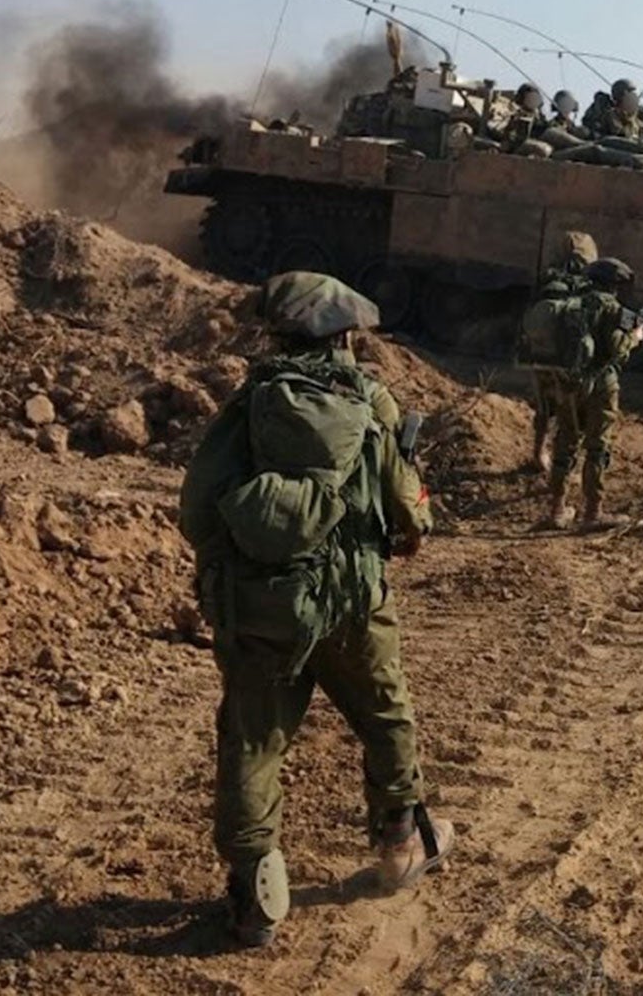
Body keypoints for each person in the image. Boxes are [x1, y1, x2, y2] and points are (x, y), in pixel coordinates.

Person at [178, 272, 454, 948]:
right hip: (354, 603)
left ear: (278, 333)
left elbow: (196, 510)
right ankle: (398, 844)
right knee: (386, 712)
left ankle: (254, 900)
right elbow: (408, 513)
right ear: (346, 336)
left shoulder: (250, 406)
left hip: (260, 606)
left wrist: (251, 561)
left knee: (251, 740)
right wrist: (410, 525)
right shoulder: (372, 401)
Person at [541, 257, 643, 532]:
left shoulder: (572, 303)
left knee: (565, 442)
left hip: (567, 383)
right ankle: (593, 512)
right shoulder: (615, 309)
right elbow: (617, 349)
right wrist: (634, 337)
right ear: (615, 285)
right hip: (601, 385)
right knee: (598, 447)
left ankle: (556, 509)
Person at [522, 231, 597, 473]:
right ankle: (562, 471)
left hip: (538, 356)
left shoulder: (547, 280)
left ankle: (537, 453)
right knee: (571, 416)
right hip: (567, 362)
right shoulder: (588, 287)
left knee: (544, 409)